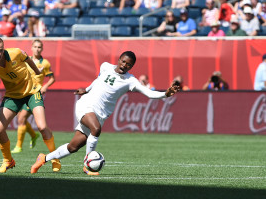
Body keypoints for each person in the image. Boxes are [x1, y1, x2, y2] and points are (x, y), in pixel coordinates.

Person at [30, 51, 179, 175]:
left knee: (73, 147)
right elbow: (98, 80)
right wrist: (86, 90)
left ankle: (43, 158)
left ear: (131, 66)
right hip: (86, 105)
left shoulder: (130, 80)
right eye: (123, 61)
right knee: (96, 129)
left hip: (100, 115)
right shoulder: (106, 66)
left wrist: (165, 94)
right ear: (119, 59)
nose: (124, 65)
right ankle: (87, 165)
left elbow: (149, 94)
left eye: (128, 64)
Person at [0, 34, 60, 173]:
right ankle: (8, 161)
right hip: (13, 96)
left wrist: (36, 72)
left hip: (32, 92)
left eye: (1, 50)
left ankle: (55, 158)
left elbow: (28, 59)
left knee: (42, 126)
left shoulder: (15, 53)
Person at [11, 39, 55, 153]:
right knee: (21, 118)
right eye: (35, 46)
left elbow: (52, 78)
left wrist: (45, 87)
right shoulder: (27, 61)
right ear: (31, 47)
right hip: (24, 92)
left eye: (39, 47)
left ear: (42, 49)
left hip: (34, 94)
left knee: (21, 118)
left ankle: (19, 146)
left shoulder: (45, 63)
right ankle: (33, 135)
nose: (37, 49)